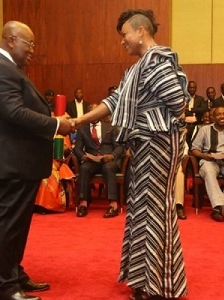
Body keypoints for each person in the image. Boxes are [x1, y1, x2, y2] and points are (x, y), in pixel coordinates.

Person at [72, 9, 188, 300]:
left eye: (124, 35)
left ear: (140, 31)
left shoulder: (157, 61)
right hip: (144, 142)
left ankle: (160, 286)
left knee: (155, 211)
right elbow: (114, 101)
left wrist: (147, 119)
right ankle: (144, 278)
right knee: (140, 210)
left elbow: (178, 103)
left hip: (158, 142)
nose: (122, 41)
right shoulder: (138, 67)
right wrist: (78, 121)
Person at [0, 21, 73, 300]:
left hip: (20, 161)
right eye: (28, 44)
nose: (33, 50)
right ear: (10, 40)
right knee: (9, 224)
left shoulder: (10, 69)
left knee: (18, 224)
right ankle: (4, 288)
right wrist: (55, 124)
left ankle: (14, 275)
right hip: (11, 161)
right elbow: (14, 113)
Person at [73, 103, 125, 218]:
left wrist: (112, 156)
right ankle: (83, 204)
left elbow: (120, 146)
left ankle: (113, 205)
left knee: (108, 168)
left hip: (108, 160)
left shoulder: (110, 126)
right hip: (91, 160)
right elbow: (77, 149)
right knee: (84, 167)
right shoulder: (83, 129)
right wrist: (83, 156)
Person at [35, 135, 75, 213]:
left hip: (57, 162)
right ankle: (35, 204)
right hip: (39, 161)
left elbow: (67, 150)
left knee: (48, 176)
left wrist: (58, 148)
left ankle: (47, 205)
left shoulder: (62, 134)